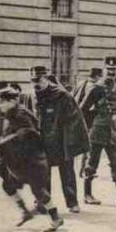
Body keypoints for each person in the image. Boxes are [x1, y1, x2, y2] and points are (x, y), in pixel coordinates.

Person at [0, 86, 64, 232]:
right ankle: (25, 212)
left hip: (32, 160)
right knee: (8, 185)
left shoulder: (20, 114)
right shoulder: (11, 114)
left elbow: (28, 132)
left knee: (39, 191)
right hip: (19, 161)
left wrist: (3, 141)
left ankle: (56, 218)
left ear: (13, 101)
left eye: (3, 102)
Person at [80, 61, 116, 205]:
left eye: (114, 70)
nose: (112, 73)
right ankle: (87, 195)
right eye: (109, 70)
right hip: (98, 129)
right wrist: (90, 125)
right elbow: (83, 108)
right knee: (92, 162)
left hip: (114, 129)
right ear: (104, 70)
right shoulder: (96, 87)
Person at [31, 65, 90, 213]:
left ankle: (72, 203)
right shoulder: (33, 95)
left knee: (67, 173)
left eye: (38, 80)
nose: (35, 84)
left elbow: (75, 119)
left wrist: (70, 141)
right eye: (32, 81)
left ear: (46, 78)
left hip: (61, 141)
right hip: (42, 140)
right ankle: (43, 203)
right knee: (42, 174)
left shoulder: (61, 95)